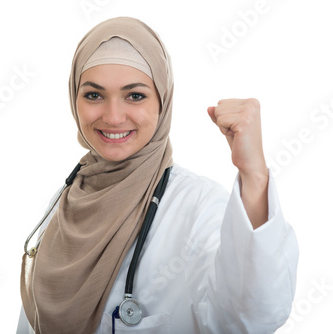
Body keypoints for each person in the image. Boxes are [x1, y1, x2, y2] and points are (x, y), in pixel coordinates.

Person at [17, 17, 298, 334]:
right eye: (94, 95)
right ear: (74, 99)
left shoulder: (198, 206)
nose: (113, 117)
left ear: (162, 101)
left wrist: (255, 174)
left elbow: (252, 317)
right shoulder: (67, 200)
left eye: (134, 95)